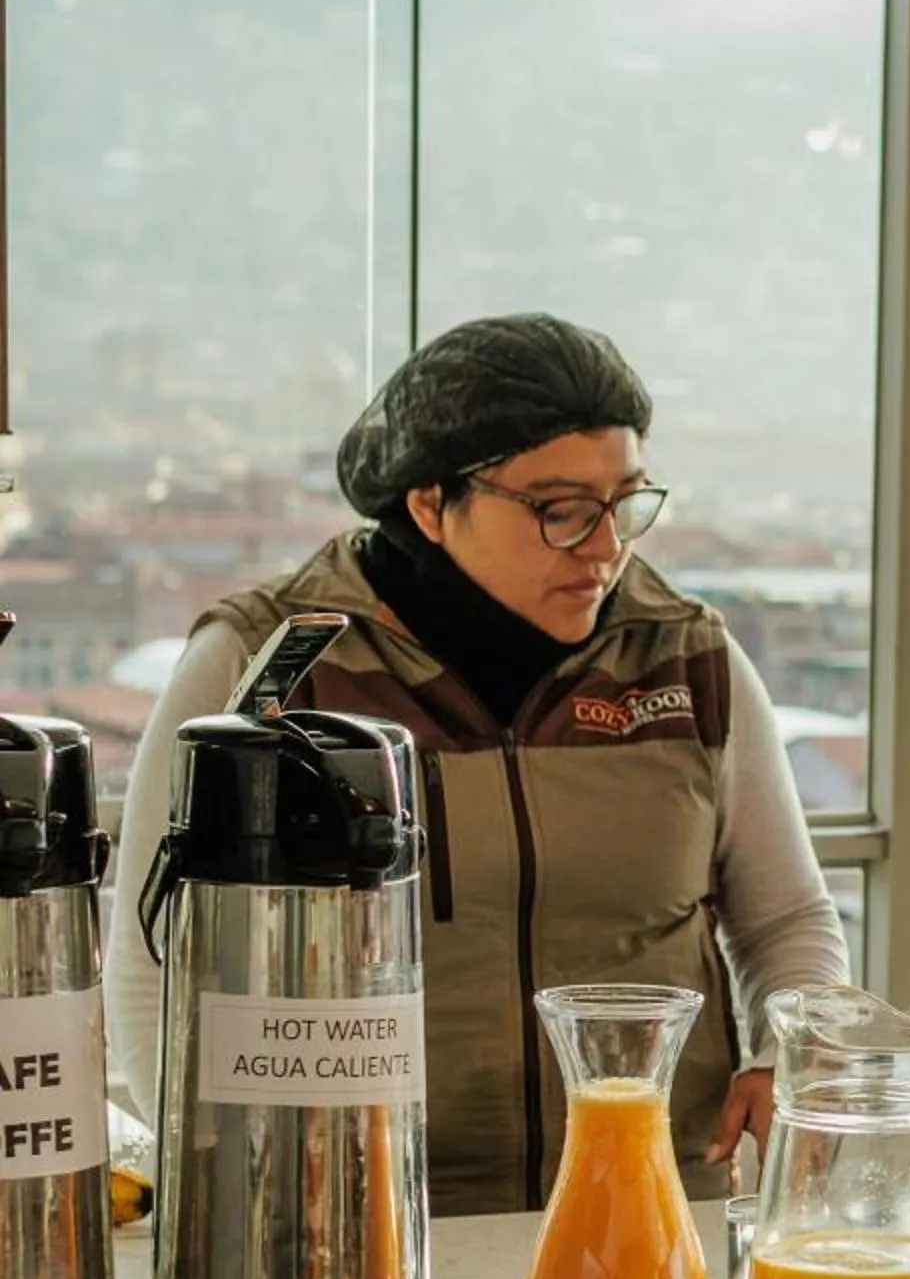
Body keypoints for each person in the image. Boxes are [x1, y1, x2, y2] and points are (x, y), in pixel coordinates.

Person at [109, 314, 850, 1216]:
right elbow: (155, 958)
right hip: (363, 1225)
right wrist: (224, 1188)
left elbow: (787, 918)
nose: (606, 547)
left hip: (647, 1206)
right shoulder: (265, 669)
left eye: (627, 503)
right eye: (562, 510)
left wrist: (789, 1049)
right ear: (430, 504)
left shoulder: (686, 659)